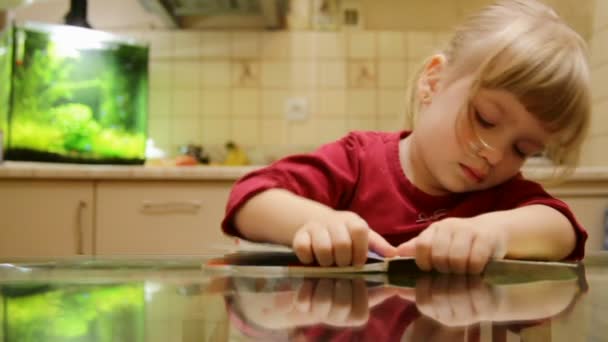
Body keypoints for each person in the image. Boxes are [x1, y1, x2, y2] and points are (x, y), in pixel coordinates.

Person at [221, 0, 591, 274]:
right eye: (485, 119)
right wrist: (314, 221)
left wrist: (492, 233)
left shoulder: (499, 194)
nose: (494, 155)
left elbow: (563, 231)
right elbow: (250, 198)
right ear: (433, 82)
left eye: (522, 149)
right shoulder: (358, 160)